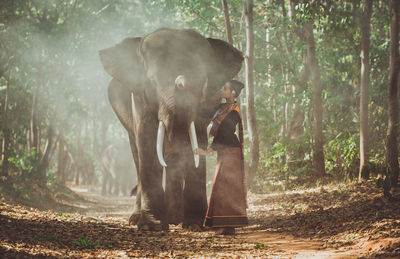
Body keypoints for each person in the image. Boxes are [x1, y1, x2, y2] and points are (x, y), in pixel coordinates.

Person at [194, 80, 248, 235]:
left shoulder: (234, 111)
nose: (222, 90)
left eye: (225, 89)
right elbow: (205, 113)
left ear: (233, 94)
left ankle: (229, 225)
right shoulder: (221, 107)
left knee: (226, 187)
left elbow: (225, 132)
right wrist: (203, 92)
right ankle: (221, 224)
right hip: (224, 151)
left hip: (231, 151)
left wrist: (208, 150)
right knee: (220, 186)